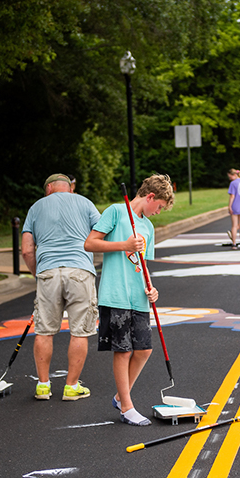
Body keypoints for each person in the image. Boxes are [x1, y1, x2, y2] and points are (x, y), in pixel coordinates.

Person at [84, 174, 175, 426]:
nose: (159, 212)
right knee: (122, 351)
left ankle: (119, 396)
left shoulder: (147, 227)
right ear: (150, 197)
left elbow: (142, 264)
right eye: (159, 206)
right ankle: (126, 406)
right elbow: (90, 244)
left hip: (139, 296)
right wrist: (123, 244)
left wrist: (151, 287)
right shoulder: (115, 212)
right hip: (115, 294)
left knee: (144, 350)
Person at [22, 173, 101, 401]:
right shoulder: (85, 203)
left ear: (48, 189)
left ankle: (43, 386)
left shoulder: (36, 208)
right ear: (69, 188)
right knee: (79, 330)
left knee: (44, 330)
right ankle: (71, 386)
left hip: (48, 271)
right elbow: (102, 233)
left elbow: (27, 250)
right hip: (80, 271)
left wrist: (38, 273)